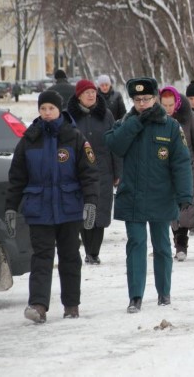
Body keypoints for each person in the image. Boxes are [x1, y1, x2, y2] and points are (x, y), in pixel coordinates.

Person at [5, 90, 99, 323]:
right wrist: (10, 206)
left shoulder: (74, 137)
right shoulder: (29, 138)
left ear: (60, 110)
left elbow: (89, 174)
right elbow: (17, 177)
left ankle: (71, 305)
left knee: (69, 257)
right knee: (41, 258)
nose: (47, 113)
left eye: (51, 109)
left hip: (69, 208)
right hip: (39, 209)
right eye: (43, 109)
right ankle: (38, 305)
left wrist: (91, 203)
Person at [104, 77, 192, 313]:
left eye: (147, 99)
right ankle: (135, 296)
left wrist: (185, 194)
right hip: (131, 195)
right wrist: (136, 123)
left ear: (156, 99)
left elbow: (181, 162)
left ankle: (164, 292)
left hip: (161, 195)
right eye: (137, 99)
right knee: (136, 244)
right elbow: (114, 145)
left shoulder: (170, 126)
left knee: (162, 245)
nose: (142, 103)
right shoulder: (126, 122)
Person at [67, 79, 121, 265]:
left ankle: (93, 252)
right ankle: (88, 249)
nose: (91, 95)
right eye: (86, 92)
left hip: (103, 169)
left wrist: (117, 171)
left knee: (101, 211)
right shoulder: (70, 117)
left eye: (93, 91)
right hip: (79, 172)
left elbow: (114, 144)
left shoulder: (106, 115)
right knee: (84, 210)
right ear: (79, 96)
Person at [159, 86, 194, 262]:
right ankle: (174, 239)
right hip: (163, 169)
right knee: (168, 206)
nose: (168, 109)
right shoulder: (155, 119)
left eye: (171, 105)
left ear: (177, 103)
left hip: (188, 167)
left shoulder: (188, 117)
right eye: (165, 105)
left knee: (185, 206)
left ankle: (181, 244)